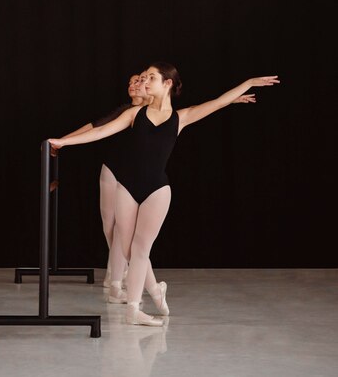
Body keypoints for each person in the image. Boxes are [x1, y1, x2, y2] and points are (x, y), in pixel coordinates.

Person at [49, 63, 279, 326]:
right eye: (144, 78)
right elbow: (101, 131)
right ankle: (156, 291)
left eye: (151, 78)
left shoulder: (181, 117)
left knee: (140, 249)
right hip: (127, 187)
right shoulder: (135, 113)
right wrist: (65, 142)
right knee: (127, 250)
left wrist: (249, 81)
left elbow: (218, 102)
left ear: (167, 83)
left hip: (157, 190)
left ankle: (133, 309)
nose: (145, 82)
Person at [63, 73, 151, 300]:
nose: (133, 84)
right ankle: (116, 272)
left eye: (138, 81)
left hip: (134, 175)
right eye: (130, 82)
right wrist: (62, 140)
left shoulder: (153, 113)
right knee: (109, 226)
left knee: (124, 229)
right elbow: (95, 128)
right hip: (112, 169)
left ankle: (117, 282)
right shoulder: (123, 111)